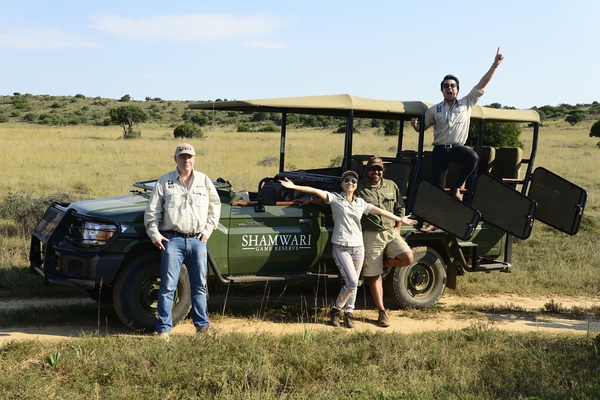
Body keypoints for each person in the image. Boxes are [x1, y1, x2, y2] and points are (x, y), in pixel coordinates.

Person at [280, 171, 413, 328]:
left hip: (358, 247)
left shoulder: (360, 203)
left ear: (356, 186)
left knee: (354, 283)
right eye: (347, 180)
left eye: (354, 181)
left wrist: (400, 219)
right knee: (351, 281)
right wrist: (294, 186)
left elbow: (381, 211)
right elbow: (316, 192)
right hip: (341, 247)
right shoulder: (335, 199)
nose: (350, 182)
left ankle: (349, 313)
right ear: (342, 184)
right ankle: (336, 310)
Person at [410, 48, 504, 232]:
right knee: (437, 187)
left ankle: (457, 187)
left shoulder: (467, 102)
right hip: (440, 149)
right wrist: (415, 125)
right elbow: (422, 128)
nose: (449, 88)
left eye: (453, 86)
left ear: (457, 89)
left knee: (473, 157)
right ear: (442, 90)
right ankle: (434, 222)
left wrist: (495, 65)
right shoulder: (434, 110)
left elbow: (482, 84)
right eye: (446, 86)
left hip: (457, 147)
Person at [144, 143, 221, 340]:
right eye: (182, 157)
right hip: (172, 240)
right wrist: (155, 235)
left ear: (194, 158)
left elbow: (215, 206)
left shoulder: (204, 181)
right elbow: (152, 212)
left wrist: (207, 230)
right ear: (175, 159)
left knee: (199, 286)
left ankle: (202, 328)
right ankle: (163, 330)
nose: (186, 160)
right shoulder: (164, 181)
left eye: (189, 157)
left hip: (197, 240)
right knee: (168, 286)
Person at [357, 156, 416, 327]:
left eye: (379, 169)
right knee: (374, 276)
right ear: (366, 170)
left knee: (407, 258)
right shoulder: (359, 187)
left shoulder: (391, 185)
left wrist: (398, 227)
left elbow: (400, 207)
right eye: (372, 169)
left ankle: (379, 264)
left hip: (391, 231)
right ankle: (382, 312)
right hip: (371, 233)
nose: (376, 172)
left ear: (383, 170)